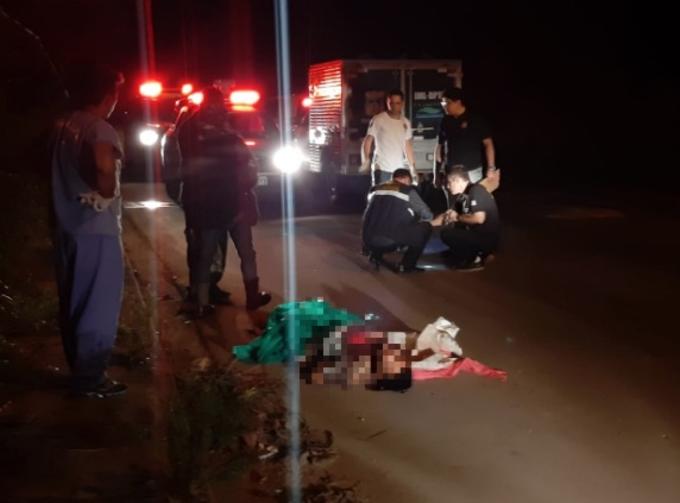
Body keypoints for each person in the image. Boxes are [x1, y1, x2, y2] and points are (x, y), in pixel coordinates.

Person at [50, 63, 127, 397]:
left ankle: (79, 367)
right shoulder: (99, 128)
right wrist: (106, 192)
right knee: (98, 305)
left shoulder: (63, 125)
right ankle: (91, 378)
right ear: (108, 94)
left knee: (73, 300)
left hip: (65, 226)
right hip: (96, 229)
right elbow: (102, 164)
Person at [176, 87, 271, 316]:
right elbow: (249, 170)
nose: (219, 111)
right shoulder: (227, 137)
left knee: (208, 253)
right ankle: (242, 298)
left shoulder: (195, 131)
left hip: (211, 204)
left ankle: (204, 301)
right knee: (234, 252)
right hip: (226, 204)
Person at [362, 168, 445, 273]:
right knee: (425, 228)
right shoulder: (407, 191)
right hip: (389, 241)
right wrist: (415, 222)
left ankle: (375, 255)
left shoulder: (375, 189)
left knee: (380, 221)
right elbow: (428, 215)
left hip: (368, 240)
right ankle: (407, 266)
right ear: (406, 179)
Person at [434, 88, 499, 187]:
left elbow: (488, 144)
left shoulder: (475, 120)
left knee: (472, 196)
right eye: (442, 103)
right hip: (452, 173)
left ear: (458, 102)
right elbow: (439, 146)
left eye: (446, 102)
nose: (444, 106)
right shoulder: (446, 121)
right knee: (454, 197)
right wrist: (436, 173)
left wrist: (491, 168)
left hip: (472, 172)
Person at [440, 167, 501, 270]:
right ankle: (464, 253)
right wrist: (450, 216)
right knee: (453, 228)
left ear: (458, 181)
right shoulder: (465, 195)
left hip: (487, 238)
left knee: (447, 234)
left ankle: (474, 259)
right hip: (479, 234)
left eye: (449, 183)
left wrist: (457, 217)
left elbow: (479, 219)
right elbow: (454, 214)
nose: (447, 186)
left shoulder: (476, 190)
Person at [360, 89, 417, 186]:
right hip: (382, 169)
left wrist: (412, 168)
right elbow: (368, 141)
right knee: (381, 194)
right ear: (387, 102)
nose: (394, 106)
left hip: (399, 171)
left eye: (397, 103)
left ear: (402, 104)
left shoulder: (405, 122)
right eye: (391, 103)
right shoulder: (378, 119)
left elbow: (408, 146)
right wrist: (366, 160)